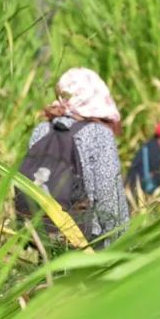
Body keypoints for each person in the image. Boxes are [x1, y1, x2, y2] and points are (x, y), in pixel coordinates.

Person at [25, 67, 130, 247]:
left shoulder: (41, 130)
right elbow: (109, 197)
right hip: (87, 240)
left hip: (44, 236)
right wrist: (121, 242)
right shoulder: (99, 134)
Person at [127, 122, 160, 195]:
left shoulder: (149, 145)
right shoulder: (155, 151)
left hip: (133, 182)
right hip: (138, 184)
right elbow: (154, 172)